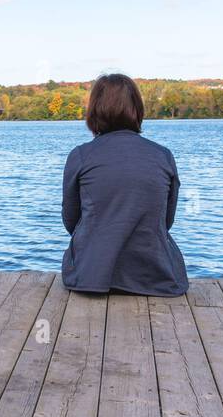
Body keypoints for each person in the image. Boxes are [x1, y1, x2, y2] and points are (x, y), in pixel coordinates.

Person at [61, 73, 189, 296]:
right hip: (157, 277)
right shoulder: (163, 156)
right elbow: (166, 222)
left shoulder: (80, 156)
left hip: (91, 276)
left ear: (94, 110)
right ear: (137, 110)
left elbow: (71, 222)